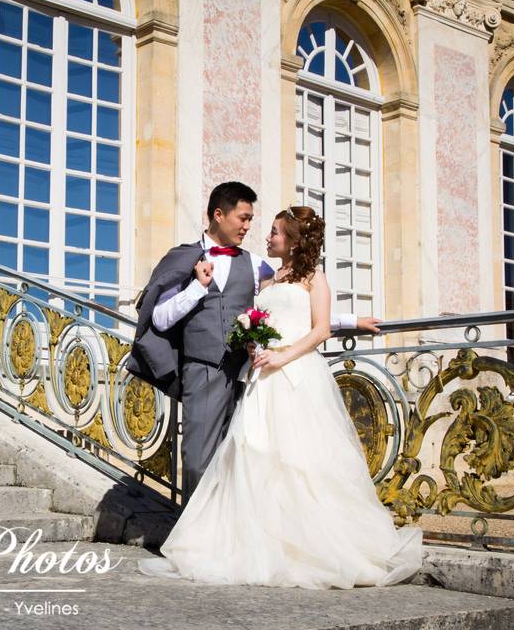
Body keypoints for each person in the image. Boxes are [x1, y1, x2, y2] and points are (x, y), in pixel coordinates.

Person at [137, 206, 422, 588]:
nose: (266, 236)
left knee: (300, 460)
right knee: (254, 455)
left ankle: (308, 546)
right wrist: (253, 345)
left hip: (296, 375)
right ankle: (259, 544)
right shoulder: (267, 282)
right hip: (260, 379)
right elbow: (264, 320)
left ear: (292, 239)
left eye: (274, 231)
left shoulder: (313, 278)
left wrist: (327, 335)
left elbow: (320, 327)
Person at [127, 181, 380, 503]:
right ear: (219, 215)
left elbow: (291, 308)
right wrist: (196, 289)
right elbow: (160, 319)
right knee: (196, 460)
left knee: (247, 461)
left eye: (251, 219)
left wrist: (351, 321)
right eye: (243, 218)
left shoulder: (257, 265)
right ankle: (196, 537)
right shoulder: (185, 257)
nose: (249, 227)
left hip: (251, 375)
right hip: (204, 370)